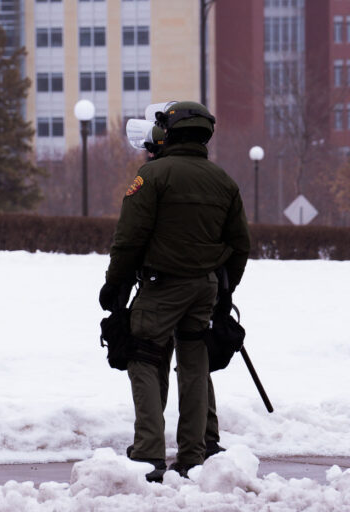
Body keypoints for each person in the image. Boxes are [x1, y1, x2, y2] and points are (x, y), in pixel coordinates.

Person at [99, 101, 250, 482]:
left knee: (145, 357)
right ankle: (194, 455)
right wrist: (225, 291)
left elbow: (129, 238)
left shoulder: (152, 176)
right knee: (195, 364)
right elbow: (239, 244)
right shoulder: (224, 181)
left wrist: (114, 283)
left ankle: (148, 453)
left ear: (169, 132)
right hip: (205, 288)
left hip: (162, 286)